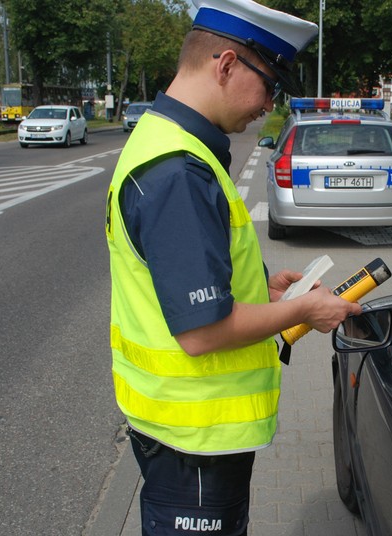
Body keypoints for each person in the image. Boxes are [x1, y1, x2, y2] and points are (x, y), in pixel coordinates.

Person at [104, 1, 362, 534]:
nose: (270, 105)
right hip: (194, 443)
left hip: (180, 433)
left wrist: (263, 291)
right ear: (224, 65)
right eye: (270, 85)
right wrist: (305, 309)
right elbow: (201, 330)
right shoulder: (179, 171)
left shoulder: (166, 145)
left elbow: (177, 287)